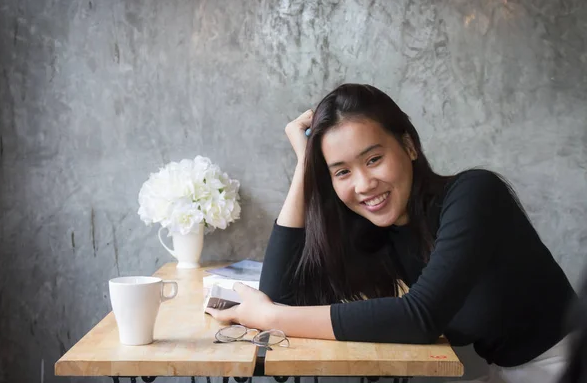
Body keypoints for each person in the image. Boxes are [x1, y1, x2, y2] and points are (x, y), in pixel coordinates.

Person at [207, 83, 578, 383]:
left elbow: (420, 317)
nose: (365, 184)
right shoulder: (381, 233)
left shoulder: (474, 194)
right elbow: (278, 293)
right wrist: (305, 166)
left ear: (409, 145)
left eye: (373, 159)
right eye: (342, 172)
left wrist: (272, 318)